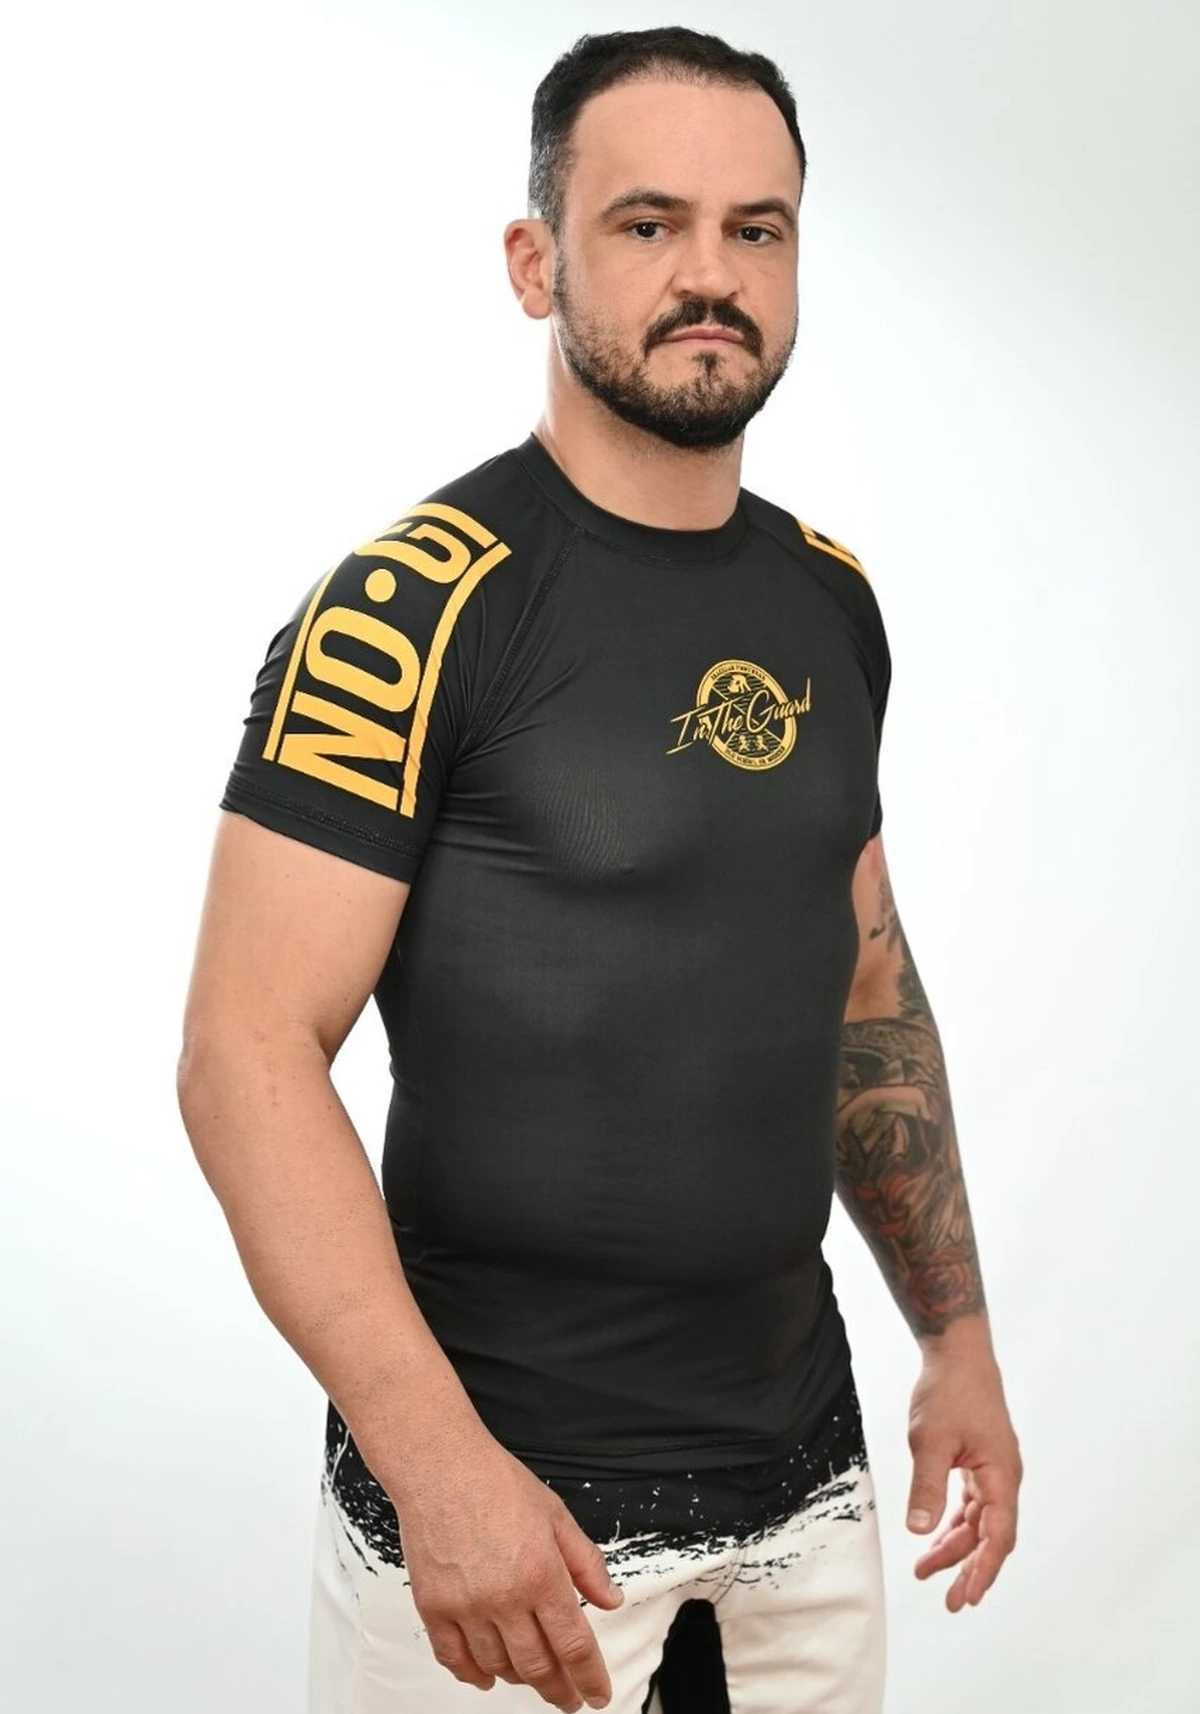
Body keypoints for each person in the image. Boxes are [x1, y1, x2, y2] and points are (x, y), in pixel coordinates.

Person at [176, 25, 1023, 1714]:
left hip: (805, 1496)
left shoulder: (829, 601)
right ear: (534, 261)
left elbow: (861, 973)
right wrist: (438, 1468)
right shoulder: (410, 607)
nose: (711, 273)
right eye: (648, 224)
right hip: (514, 1519)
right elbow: (242, 1052)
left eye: (756, 228)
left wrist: (959, 1336)